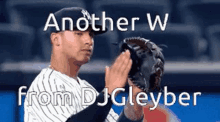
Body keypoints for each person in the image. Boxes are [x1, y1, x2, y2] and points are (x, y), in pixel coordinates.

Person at [24, 7, 144, 122]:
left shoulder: (87, 90)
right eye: (79, 33)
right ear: (56, 39)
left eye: (91, 35)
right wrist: (109, 92)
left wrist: (135, 100)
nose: (88, 41)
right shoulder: (45, 85)